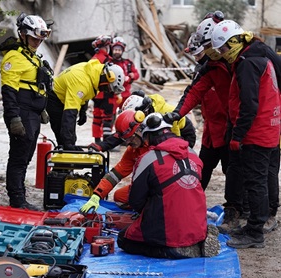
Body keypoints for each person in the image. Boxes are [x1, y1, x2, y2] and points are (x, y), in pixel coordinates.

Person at [210, 20, 281, 249]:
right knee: (257, 181)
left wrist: (237, 135)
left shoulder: (247, 64)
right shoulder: (261, 57)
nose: (222, 55)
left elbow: (249, 104)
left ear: (233, 43)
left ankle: (255, 233)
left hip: (257, 132)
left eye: (222, 50)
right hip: (267, 128)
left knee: (255, 182)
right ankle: (253, 225)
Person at [117, 113, 216, 259]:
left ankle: (174, 251)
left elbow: (135, 201)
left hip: (167, 230)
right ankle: (196, 242)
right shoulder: (193, 154)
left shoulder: (147, 159)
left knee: (123, 239)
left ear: (148, 136)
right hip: (197, 228)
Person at [172, 21, 240, 232]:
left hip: (231, 130)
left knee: (234, 173)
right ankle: (190, 202)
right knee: (203, 168)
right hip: (212, 131)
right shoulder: (207, 68)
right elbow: (194, 93)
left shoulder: (236, 63)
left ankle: (237, 211)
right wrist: (176, 114)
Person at [0, 13, 54, 211]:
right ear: (22, 34)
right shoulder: (14, 57)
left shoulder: (30, 56)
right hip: (21, 113)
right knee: (19, 158)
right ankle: (17, 200)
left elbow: (34, 85)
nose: (38, 42)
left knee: (26, 157)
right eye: (34, 38)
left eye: (40, 39)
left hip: (32, 113)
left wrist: (41, 109)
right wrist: (14, 118)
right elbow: (9, 91)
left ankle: (19, 197)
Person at [47, 58, 124, 150]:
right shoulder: (81, 82)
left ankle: (66, 150)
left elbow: (87, 93)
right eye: (108, 87)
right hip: (55, 98)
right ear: (107, 77)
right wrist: (69, 143)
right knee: (63, 136)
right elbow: (70, 114)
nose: (107, 91)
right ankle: (65, 152)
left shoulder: (94, 75)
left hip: (65, 95)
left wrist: (83, 109)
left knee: (69, 137)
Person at [91, 91, 196, 152]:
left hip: (184, 133)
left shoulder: (164, 113)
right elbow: (125, 132)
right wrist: (103, 145)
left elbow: (174, 139)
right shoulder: (145, 113)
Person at [90, 35, 116, 144]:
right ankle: (106, 142)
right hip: (106, 93)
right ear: (106, 47)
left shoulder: (93, 59)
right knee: (107, 118)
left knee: (96, 118)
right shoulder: (106, 60)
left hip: (95, 94)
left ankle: (97, 141)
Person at [110, 37, 139, 108]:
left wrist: (132, 76)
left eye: (119, 50)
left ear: (122, 51)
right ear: (112, 50)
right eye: (115, 50)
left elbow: (137, 74)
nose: (117, 51)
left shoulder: (128, 63)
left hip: (125, 94)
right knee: (110, 115)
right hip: (112, 95)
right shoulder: (108, 63)